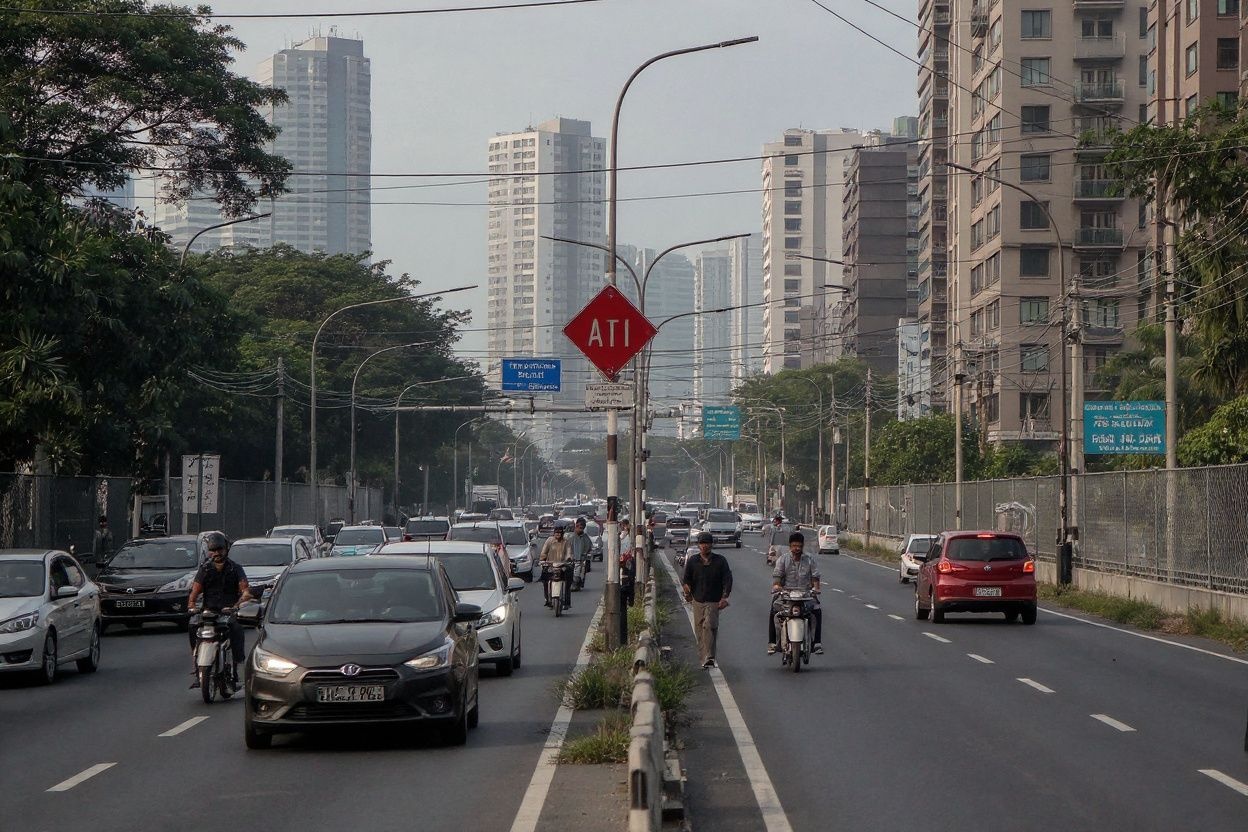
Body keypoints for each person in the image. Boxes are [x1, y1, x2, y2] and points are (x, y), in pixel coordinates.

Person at [186, 532, 251, 687]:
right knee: (192, 625)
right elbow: (195, 592)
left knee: (236, 629)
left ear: (226, 549)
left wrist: (236, 606)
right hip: (209, 612)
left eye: (219, 549)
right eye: (212, 550)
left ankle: (236, 668)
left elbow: (245, 591)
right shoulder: (205, 569)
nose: (216, 553)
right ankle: (197, 664)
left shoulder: (235, 569)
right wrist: (192, 606)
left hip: (228, 612)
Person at [681, 531, 733, 670]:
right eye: (702, 543)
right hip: (697, 600)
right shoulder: (693, 561)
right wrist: (687, 592)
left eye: (707, 543)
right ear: (699, 545)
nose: (705, 546)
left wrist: (724, 597)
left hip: (713, 600)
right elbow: (686, 580)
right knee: (699, 629)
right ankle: (703, 658)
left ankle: (709, 657)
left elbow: (727, 579)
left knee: (709, 625)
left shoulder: (720, 561)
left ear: (711, 545)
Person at [768, 531, 822, 655]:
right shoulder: (783, 559)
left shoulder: (809, 560)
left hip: (806, 595)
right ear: (790, 546)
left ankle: (817, 643)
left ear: (803, 546)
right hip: (786, 594)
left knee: (817, 610)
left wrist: (816, 588)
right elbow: (777, 575)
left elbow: (815, 576)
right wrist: (777, 586)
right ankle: (772, 643)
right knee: (774, 610)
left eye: (799, 546)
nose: (796, 549)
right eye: (794, 546)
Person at [539, 524, 574, 609]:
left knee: (568, 581)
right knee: (545, 580)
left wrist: (569, 560)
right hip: (550, 565)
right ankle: (547, 599)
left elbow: (569, 553)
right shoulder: (549, 541)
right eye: (556, 532)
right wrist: (542, 560)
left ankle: (566, 602)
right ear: (554, 533)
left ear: (562, 533)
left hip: (562, 566)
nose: (558, 534)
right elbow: (544, 552)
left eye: (560, 532)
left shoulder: (566, 542)